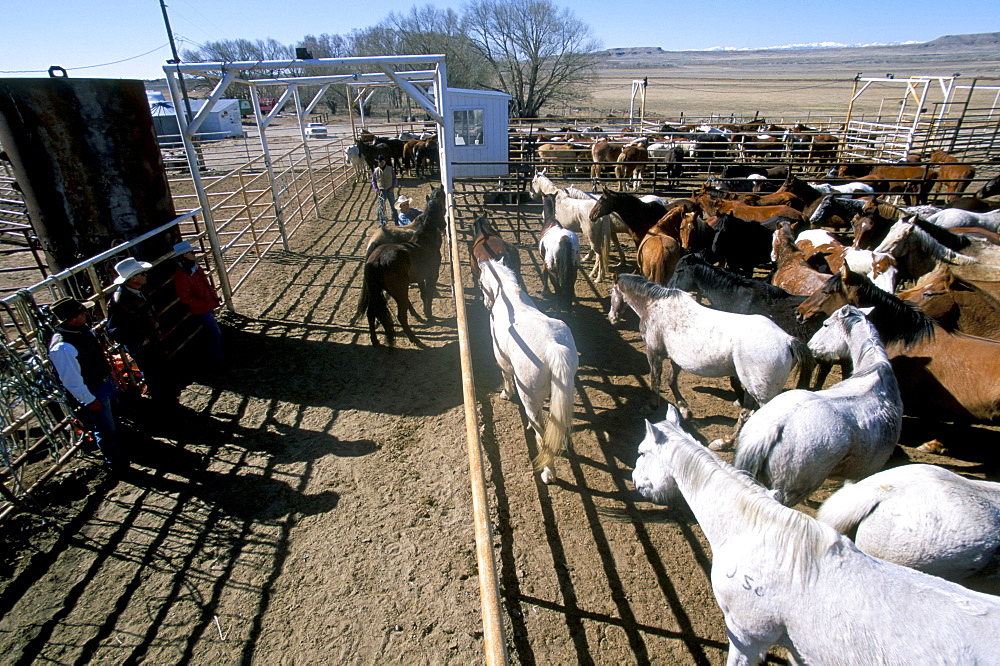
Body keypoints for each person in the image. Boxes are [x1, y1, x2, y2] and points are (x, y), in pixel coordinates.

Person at [47, 297, 130, 475]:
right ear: (71, 319)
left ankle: (122, 453)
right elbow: (71, 380)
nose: (85, 313)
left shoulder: (81, 331)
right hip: (94, 390)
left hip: (104, 383)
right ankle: (116, 463)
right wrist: (89, 399)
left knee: (113, 421)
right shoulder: (62, 346)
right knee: (104, 429)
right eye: (80, 312)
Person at [106, 257, 180, 405]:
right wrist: (139, 341)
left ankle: (169, 400)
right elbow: (114, 329)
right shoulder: (119, 301)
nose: (146, 275)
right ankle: (164, 403)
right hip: (142, 346)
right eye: (142, 274)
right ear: (133, 278)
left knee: (161, 371)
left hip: (151, 340)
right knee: (154, 374)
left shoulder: (136, 292)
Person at [171, 241, 224, 370]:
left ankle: (217, 360)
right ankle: (217, 361)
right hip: (201, 309)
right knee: (214, 334)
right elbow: (185, 297)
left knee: (213, 333)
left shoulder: (191, 268)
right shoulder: (183, 273)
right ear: (185, 256)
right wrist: (203, 303)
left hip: (204, 306)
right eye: (191, 253)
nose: (194, 255)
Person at [371, 154, 398, 225]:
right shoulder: (376, 170)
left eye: (382, 162)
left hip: (389, 189)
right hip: (381, 191)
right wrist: (376, 189)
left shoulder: (390, 169)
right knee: (381, 207)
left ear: (385, 161)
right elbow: (373, 181)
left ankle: (396, 221)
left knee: (393, 206)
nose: (381, 163)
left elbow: (395, 179)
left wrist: (393, 187)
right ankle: (382, 222)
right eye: (379, 162)